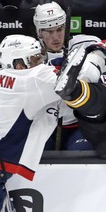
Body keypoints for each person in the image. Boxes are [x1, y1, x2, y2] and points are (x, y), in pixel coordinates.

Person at [0, 34, 65, 211]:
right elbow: (76, 84)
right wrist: (95, 55)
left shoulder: (10, 77)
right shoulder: (33, 78)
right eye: (35, 60)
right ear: (18, 65)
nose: (41, 64)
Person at [33, 1, 106, 150]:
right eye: (49, 31)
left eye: (60, 29)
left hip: (80, 124)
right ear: (39, 32)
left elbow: (103, 53)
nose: (56, 37)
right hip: (43, 125)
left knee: (80, 151)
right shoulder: (30, 54)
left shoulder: (85, 44)